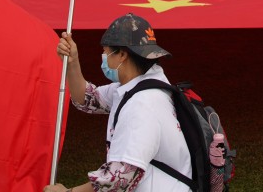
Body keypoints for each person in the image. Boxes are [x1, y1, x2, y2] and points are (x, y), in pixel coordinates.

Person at [47, 14, 190, 192]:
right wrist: (72, 63)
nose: (104, 57)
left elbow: (120, 178)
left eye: (106, 52)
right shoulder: (144, 85)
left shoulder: (142, 105)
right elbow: (88, 99)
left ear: (122, 54)